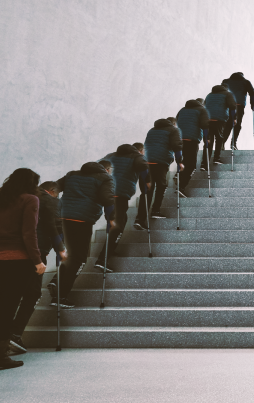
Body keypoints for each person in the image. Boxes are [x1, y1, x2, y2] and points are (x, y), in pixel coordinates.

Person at [0, 168, 44, 372]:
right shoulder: (30, 199)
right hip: (18, 260)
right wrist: (37, 260)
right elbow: (28, 233)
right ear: (31, 183)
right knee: (9, 308)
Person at [10, 181, 66, 355]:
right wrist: (60, 248)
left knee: (11, 294)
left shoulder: (19, 199)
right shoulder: (50, 200)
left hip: (11, 251)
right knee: (33, 293)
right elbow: (53, 226)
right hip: (36, 252)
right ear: (52, 191)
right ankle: (14, 333)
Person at [52, 162, 115, 308]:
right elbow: (107, 199)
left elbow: (54, 188)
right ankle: (60, 296)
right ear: (105, 170)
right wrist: (111, 218)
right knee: (79, 257)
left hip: (62, 218)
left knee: (71, 255)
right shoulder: (105, 178)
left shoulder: (71, 175)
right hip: (82, 220)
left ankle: (57, 286)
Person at [100, 144, 148, 272]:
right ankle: (102, 259)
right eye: (143, 151)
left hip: (105, 194)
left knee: (122, 219)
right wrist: (147, 182)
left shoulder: (111, 155)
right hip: (118, 195)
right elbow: (144, 167)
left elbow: (97, 166)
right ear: (140, 151)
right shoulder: (137, 157)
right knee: (117, 225)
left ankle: (112, 247)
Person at [137, 118, 182, 229]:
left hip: (146, 162)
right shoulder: (173, 130)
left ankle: (139, 219)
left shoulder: (152, 130)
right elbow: (177, 146)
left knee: (147, 191)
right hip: (160, 162)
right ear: (174, 123)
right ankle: (155, 210)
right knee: (161, 185)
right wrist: (179, 161)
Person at [176, 99, 210, 189]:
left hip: (179, 139)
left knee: (185, 160)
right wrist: (207, 138)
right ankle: (181, 186)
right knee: (191, 166)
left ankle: (178, 174)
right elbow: (205, 125)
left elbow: (176, 121)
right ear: (202, 104)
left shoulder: (182, 110)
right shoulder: (202, 110)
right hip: (191, 140)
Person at [204, 85, 237, 167]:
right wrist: (234, 118)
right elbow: (232, 106)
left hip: (208, 120)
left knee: (208, 141)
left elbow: (205, 106)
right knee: (219, 138)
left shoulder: (209, 95)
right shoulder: (228, 94)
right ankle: (216, 159)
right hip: (219, 119)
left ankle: (204, 164)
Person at [221, 72, 254, 150]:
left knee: (227, 125)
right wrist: (252, 104)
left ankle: (222, 143)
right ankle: (233, 143)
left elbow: (221, 92)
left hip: (227, 105)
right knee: (237, 124)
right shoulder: (246, 82)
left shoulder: (226, 81)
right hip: (238, 105)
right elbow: (252, 93)